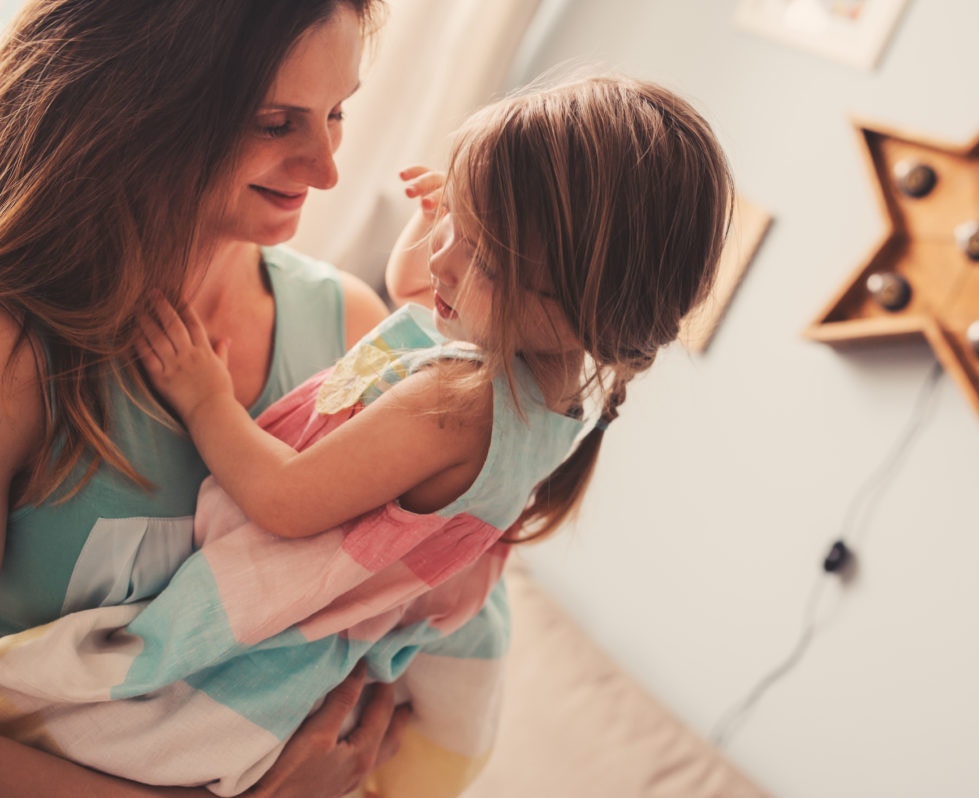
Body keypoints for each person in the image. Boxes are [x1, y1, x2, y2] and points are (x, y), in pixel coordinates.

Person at [0, 74, 736, 796]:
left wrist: (204, 398)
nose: (442, 256)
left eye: (479, 251)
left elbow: (285, 499)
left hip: (273, 656)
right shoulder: (537, 385)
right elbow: (418, 298)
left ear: (577, 297)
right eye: (455, 222)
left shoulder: (458, 401)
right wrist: (441, 227)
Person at [0, 1, 414, 795]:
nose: (326, 168)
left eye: (336, 113)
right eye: (273, 121)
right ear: (136, 107)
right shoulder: (22, 351)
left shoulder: (353, 335)